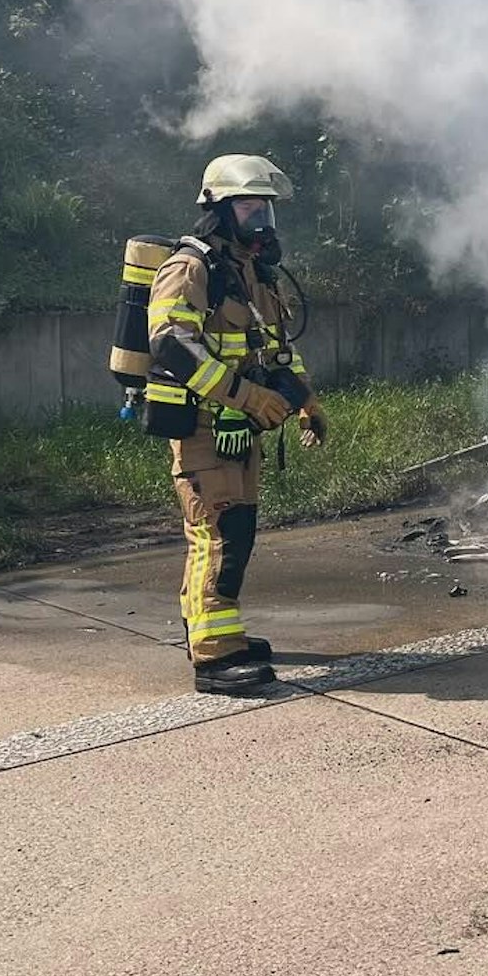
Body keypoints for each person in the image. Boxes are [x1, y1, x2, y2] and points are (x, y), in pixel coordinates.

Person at [147, 154, 329, 693]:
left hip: (241, 427)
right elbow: (170, 344)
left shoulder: (251, 273)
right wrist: (245, 396)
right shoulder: (191, 268)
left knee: (233, 531)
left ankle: (213, 630)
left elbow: (275, 351)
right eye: (249, 208)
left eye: (266, 210)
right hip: (205, 425)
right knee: (220, 533)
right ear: (219, 209)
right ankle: (214, 658)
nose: (261, 221)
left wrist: (305, 402)